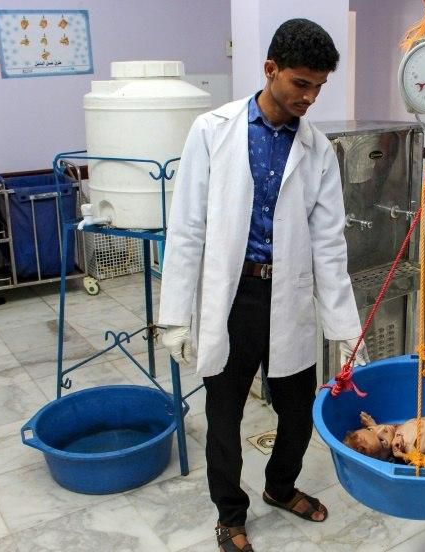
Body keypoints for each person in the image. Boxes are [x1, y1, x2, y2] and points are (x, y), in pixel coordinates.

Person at [158, 18, 369, 552]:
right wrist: (176, 316)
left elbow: (329, 246)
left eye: (319, 86)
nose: (310, 97)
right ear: (270, 69)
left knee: (298, 411)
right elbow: (185, 229)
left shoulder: (319, 150)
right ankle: (230, 515)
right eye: (301, 83)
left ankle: (280, 487)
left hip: (289, 296)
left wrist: (346, 327)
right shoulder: (213, 130)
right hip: (232, 298)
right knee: (224, 417)